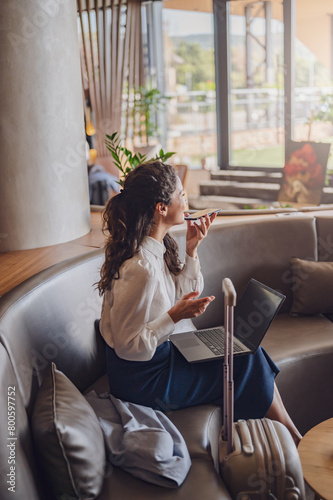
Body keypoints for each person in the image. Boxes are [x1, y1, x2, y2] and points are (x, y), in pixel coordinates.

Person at [98, 161, 302, 446]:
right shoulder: (140, 268)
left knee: (247, 351)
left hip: (161, 357)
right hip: (143, 380)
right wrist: (173, 316)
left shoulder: (158, 246)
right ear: (161, 207)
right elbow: (128, 348)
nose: (187, 200)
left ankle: (290, 436)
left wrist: (192, 249)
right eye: (181, 195)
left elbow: (186, 291)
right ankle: (292, 439)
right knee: (244, 360)